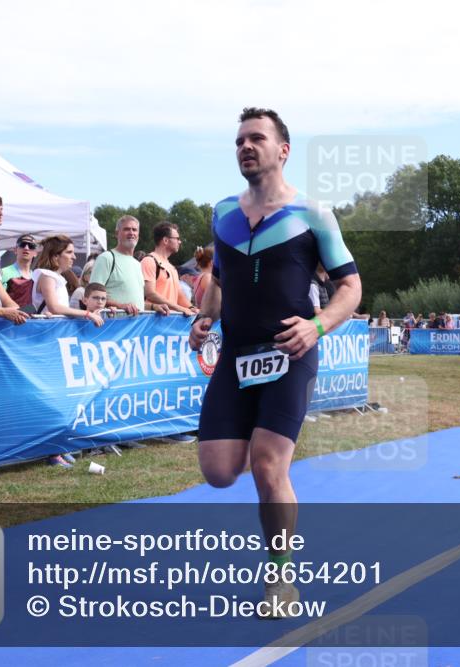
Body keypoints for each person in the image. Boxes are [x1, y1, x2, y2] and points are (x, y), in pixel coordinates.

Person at [188, 107, 361, 618]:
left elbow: (350, 287)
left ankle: (280, 576)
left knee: (267, 464)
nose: (246, 146)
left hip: (291, 352)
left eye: (257, 138)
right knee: (219, 472)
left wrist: (318, 325)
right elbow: (220, 276)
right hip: (236, 357)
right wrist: (205, 317)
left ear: (282, 150)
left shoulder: (313, 214)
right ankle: (271, 473)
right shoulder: (221, 213)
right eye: (240, 139)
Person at [31, 235, 104, 326]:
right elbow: (54, 308)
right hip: (47, 330)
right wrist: (87, 314)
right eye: (69, 252)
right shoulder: (47, 277)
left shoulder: (54, 276)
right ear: (56, 256)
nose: (74, 257)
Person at [89, 216, 146, 314]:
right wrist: (120, 306)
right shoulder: (106, 258)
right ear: (117, 234)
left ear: (138, 235)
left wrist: (154, 306)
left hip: (136, 326)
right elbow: (91, 295)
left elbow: (138, 303)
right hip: (113, 326)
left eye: (134, 230)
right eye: (126, 229)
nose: (131, 233)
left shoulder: (137, 264)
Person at [141, 222, 193, 316]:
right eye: (177, 238)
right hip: (151, 322)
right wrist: (179, 308)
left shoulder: (171, 267)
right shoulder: (149, 261)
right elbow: (150, 293)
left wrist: (191, 308)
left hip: (168, 322)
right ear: (165, 240)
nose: (180, 242)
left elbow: (179, 294)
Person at [0, 233, 38, 307]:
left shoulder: (36, 276)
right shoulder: (2, 273)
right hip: (7, 317)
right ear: (15, 250)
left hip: (30, 317)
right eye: (22, 245)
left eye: (31, 246)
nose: (26, 248)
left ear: (35, 253)